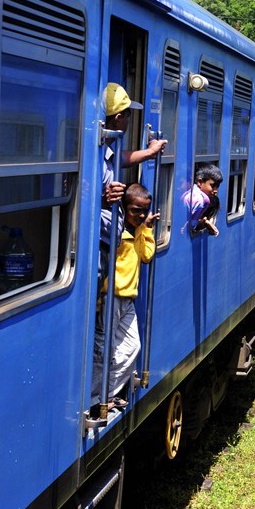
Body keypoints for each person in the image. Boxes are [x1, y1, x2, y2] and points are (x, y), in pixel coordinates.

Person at [92, 182, 159, 411]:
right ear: (123, 207)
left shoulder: (139, 230)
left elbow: (147, 256)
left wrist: (147, 229)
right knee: (103, 351)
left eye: (144, 211)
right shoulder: (115, 231)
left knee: (131, 347)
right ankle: (94, 400)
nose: (140, 215)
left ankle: (107, 393)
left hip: (128, 298)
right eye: (135, 211)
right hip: (111, 297)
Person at [100, 83, 167, 290]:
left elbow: (122, 157)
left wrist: (149, 152)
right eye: (128, 114)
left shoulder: (106, 147)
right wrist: (103, 198)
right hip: (98, 244)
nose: (130, 120)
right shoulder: (95, 152)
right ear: (118, 117)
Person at [182, 163, 224, 235]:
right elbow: (190, 227)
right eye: (213, 186)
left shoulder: (191, 191)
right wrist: (204, 223)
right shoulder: (202, 200)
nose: (216, 190)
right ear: (200, 182)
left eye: (217, 187)